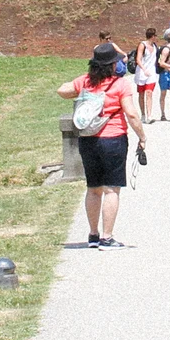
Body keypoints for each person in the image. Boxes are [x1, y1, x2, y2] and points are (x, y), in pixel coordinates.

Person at [58, 41, 144, 248]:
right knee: (112, 189)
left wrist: (80, 94)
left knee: (93, 188)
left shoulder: (85, 82)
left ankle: (93, 235)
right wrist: (142, 136)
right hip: (113, 138)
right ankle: (107, 237)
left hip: (88, 139)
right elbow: (131, 114)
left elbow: (61, 90)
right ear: (113, 65)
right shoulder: (120, 84)